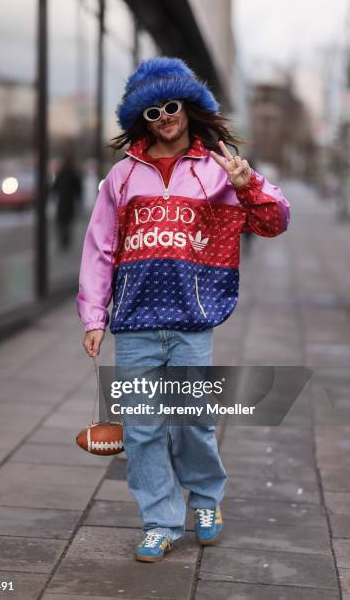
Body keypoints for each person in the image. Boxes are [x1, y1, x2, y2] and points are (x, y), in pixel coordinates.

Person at [76, 57, 291, 562]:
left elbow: (274, 222)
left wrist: (248, 186)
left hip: (193, 320)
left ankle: (208, 501)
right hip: (134, 324)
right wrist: (94, 316)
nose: (165, 117)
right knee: (143, 426)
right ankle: (160, 519)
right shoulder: (123, 177)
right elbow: (101, 246)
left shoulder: (221, 169)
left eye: (171, 106)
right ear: (140, 119)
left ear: (189, 108)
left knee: (191, 421)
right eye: (152, 111)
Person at [52, 154, 82, 250]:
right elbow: (78, 189)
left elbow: (54, 187)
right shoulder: (73, 174)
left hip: (62, 202)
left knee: (62, 223)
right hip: (70, 202)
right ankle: (66, 241)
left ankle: (63, 241)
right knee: (68, 223)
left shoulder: (60, 174)